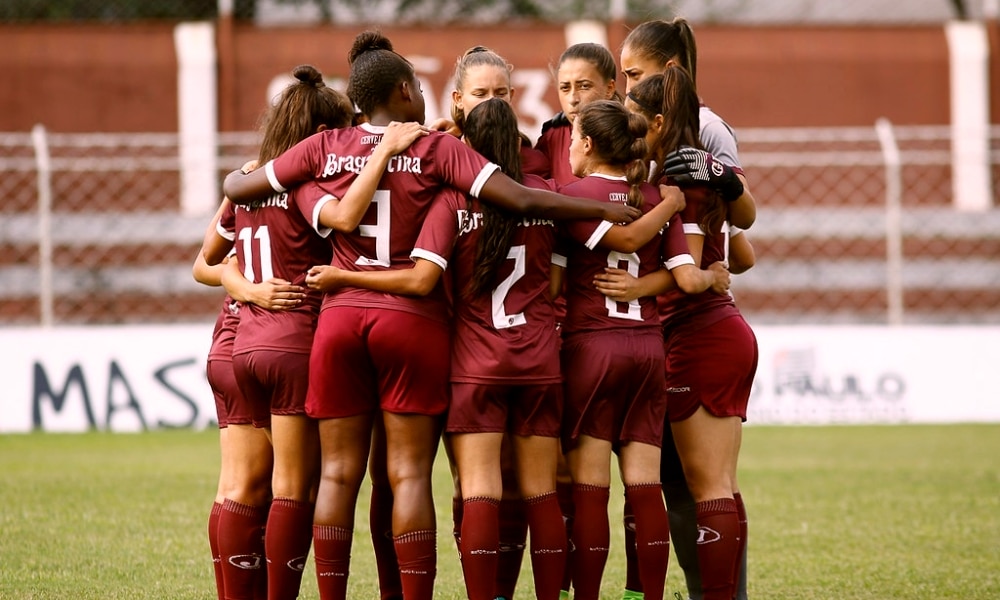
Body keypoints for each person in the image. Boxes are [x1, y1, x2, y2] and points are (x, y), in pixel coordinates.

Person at [221, 31, 643, 600]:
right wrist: (600, 203)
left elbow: (239, 185)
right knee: (409, 474)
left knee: (338, 475)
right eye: (418, 85)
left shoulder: (325, 148)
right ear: (402, 90)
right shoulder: (437, 151)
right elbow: (519, 199)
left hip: (340, 321)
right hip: (412, 322)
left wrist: (254, 175)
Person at [555, 99, 729, 600]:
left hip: (593, 350)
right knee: (643, 485)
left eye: (573, 139)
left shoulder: (572, 195)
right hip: (648, 352)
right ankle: (647, 595)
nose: (569, 148)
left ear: (588, 144)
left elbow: (554, 284)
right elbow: (687, 279)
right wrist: (714, 275)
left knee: (590, 489)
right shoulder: (656, 196)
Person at [600, 67, 758, 600]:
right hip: (713, 331)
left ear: (661, 122)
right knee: (716, 486)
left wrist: (638, 286)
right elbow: (745, 253)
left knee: (708, 485)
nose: (629, 131)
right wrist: (714, 263)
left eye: (636, 122)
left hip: (701, 334)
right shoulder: (690, 176)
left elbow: (689, 274)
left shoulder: (679, 180)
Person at [193, 197, 306, 600]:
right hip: (255, 337)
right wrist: (252, 291)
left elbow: (203, 263)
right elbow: (204, 264)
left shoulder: (251, 182)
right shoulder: (305, 183)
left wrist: (242, 286)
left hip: (230, 339)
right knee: (264, 486)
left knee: (234, 486)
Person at [536, 42, 621, 186]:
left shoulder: (635, 132)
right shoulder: (552, 138)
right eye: (565, 88)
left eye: (584, 86)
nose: (573, 99)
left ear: (609, 88)